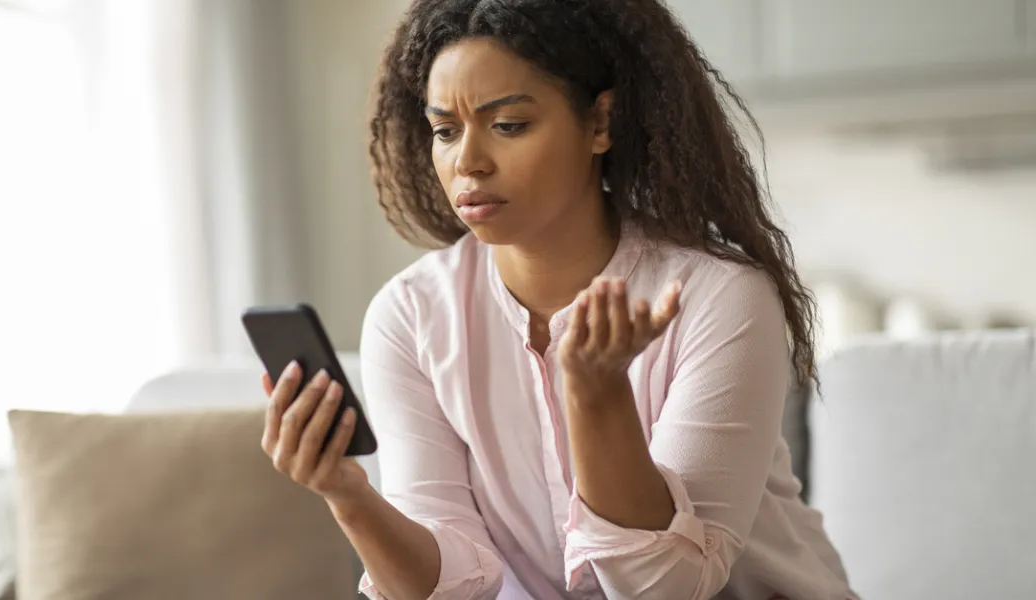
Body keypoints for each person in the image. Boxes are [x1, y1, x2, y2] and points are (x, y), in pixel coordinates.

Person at [259, 0, 856, 598]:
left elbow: (669, 587)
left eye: (509, 125)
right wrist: (347, 493)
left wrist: (598, 397)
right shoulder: (410, 316)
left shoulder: (719, 296)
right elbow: (455, 585)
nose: (467, 161)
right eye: (445, 130)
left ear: (600, 123)